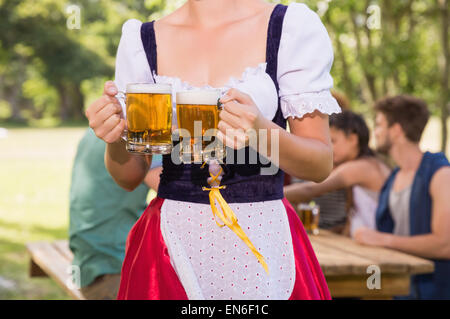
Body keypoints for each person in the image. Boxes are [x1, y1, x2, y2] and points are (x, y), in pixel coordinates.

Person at [85, 0, 342, 300]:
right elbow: (129, 176)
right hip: (169, 244)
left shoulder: (290, 27)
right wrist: (114, 137)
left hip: (264, 240)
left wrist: (260, 132)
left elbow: (320, 163)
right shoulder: (142, 40)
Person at [354, 95, 450, 299]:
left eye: (379, 125)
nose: (375, 132)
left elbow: (445, 244)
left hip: (434, 291)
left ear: (396, 130)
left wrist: (381, 239)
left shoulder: (440, 173)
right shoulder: (393, 178)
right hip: (399, 289)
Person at [69, 128, 162, 300]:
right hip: (114, 269)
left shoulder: (98, 126)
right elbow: (174, 190)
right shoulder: (144, 128)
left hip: (87, 263)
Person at [284, 110, 391, 237]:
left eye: (333, 141)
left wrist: (273, 195)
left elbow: (310, 189)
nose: (329, 147)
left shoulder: (360, 167)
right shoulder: (372, 162)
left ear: (352, 139)